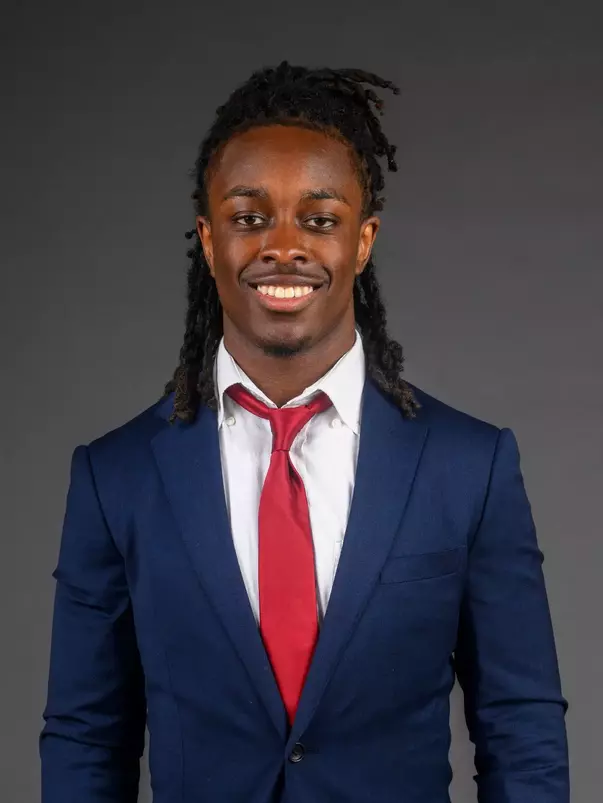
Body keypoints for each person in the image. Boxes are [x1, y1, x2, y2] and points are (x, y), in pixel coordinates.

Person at [40, 61, 569, 803]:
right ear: (208, 236)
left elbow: (520, 726)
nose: (282, 246)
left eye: (318, 219)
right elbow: (87, 737)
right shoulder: (115, 477)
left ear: (361, 240)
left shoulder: (467, 466)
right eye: (248, 217)